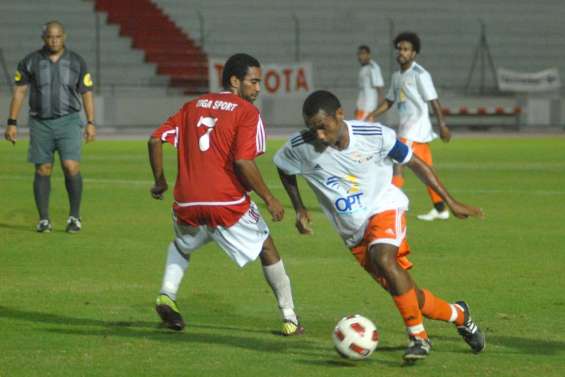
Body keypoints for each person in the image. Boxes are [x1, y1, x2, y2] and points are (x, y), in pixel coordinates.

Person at [274, 90, 485, 361]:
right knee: (409, 294)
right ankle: (459, 314)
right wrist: (299, 207)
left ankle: (419, 339)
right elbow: (283, 167)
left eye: (323, 127)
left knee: (383, 257)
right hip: (353, 232)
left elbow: (414, 162)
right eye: (312, 129)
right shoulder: (301, 145)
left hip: (385, 206)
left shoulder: (374, 135)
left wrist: (450, 202)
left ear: (339, 115)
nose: (319, 136)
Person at [148, 53, 303, 336]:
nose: (258, 88)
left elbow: (156, 138)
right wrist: (269, 198)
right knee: (267, 248)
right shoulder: (246, 112)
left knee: (183, 246)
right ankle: (290, 317)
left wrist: (160, 181)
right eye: (254, 82)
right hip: (226, 203)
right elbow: (243, 162)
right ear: (234, 81)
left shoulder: (192, 105)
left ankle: (166, 294)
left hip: (187, 202)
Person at [3, 20, 96, 233]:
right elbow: (19, 92)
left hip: (69, 121)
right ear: (43, 38)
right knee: (43, 168)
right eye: (50, 37)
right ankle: (44, 219)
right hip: (40, 122)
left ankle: (74, 216)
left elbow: (87, 93)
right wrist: (12, 122)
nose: (54, 40)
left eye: (58, 36)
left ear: (65, 37)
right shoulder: (30, 61)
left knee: (71, 166)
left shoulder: (77, 62)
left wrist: (90, 122)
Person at [365, 32, 451, 221]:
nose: (401, 52)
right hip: (408, 131)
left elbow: (433, 101)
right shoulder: (397, 76)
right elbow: (389, 100)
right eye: (399, 49)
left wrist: (442, 125)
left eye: (406, 50)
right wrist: (373, 114)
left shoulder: (420, 74)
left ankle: (390, 206)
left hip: (415, 130)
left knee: (396, 165)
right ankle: (440, 209)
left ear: (414, 53)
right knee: (426, 171)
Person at [354, 45, 385, 122]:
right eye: (359, 54)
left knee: (364, 130)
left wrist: (380, 105)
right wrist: (358, 106)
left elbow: (379, 86)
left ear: (368, 55)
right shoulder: (363, 68)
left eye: (363, 54)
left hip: (368, 108)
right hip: (361, 107)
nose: (360, 56)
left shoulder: (373, 68)